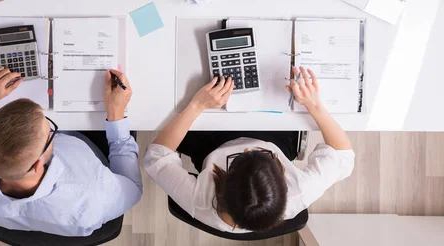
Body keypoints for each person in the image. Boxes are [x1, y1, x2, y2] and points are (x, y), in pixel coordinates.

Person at [0, 67, 142, 237]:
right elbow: (132, 188)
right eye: (50, 131)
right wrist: (116, 114)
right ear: (38, 164)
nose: (51, 127)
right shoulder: (94, 194)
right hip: (86, 160)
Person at [143, 66, 355, 233]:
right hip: (275, 137)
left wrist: (197, 105)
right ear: (283, 181)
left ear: (220, 190)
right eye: (260, 155)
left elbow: (155, 158)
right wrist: (314, 105)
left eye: (238, 159)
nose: (246, 149)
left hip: (210, 143)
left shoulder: (199, 201)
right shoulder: (299, 192)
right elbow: (344, 157)